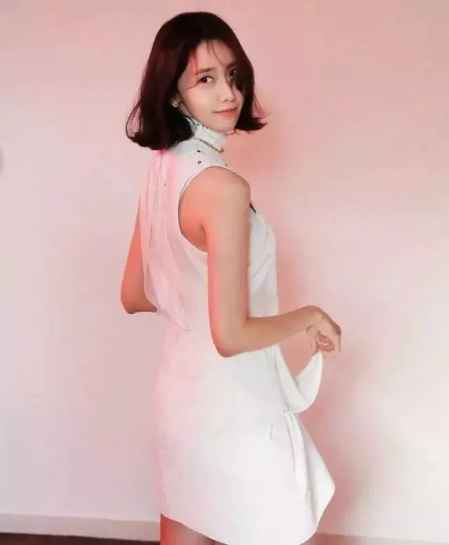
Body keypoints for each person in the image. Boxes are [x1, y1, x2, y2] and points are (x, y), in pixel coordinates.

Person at [120, 11, 342, 545]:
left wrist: (194, 294)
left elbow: (134, 294)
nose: (229, 93)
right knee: (279, 528)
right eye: (206, 79)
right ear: (174, 95)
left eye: (234, 75)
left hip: (179, 396)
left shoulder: (162, 167)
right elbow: (231, 336)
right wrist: (309, 316)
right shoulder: (223, 189)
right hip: (235, 404)